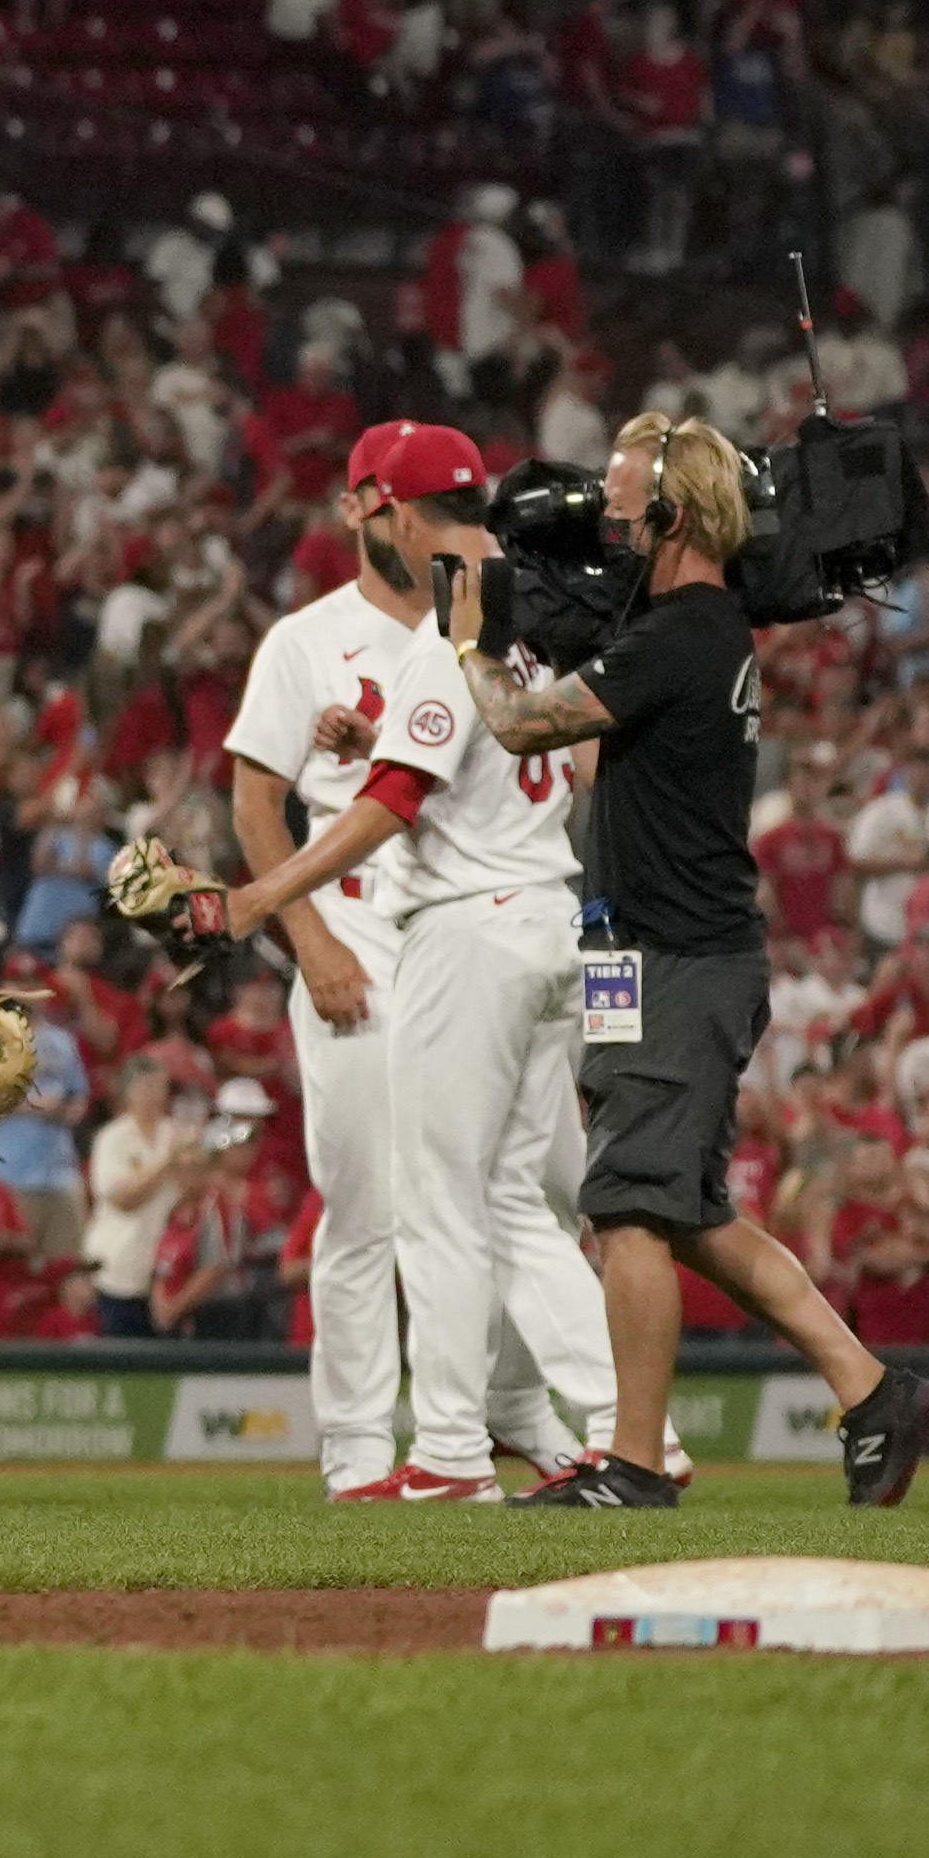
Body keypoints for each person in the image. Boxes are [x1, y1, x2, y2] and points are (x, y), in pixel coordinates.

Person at [421, 406, 929, 1509]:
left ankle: (631, 1462)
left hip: (674, 956)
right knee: (684, 1210)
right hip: (648, 952)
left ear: (670, 511)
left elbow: (521, 724)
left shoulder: (682, 633)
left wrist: (472, 638)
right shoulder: (690, 626)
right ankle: (871, 1390)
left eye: (620, 505)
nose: (605, 522)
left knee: (626, 1204)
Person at [194, 423, 616, 1495]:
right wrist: (311, 939)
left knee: (517, 1191)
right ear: (357, 510)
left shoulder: (487, 619)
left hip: (457, 913)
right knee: (372, 1203)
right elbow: (254, 798)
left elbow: (517, 771)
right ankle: (354, 1443)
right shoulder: (306, 638)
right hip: (359, 920)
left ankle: (505, 1413)